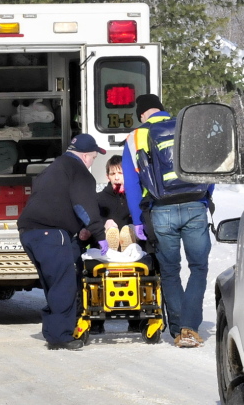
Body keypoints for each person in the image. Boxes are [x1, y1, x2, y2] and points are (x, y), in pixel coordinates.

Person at [122, 94, 215, 348]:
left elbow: (131, 185)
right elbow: (210, 167)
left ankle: (177, 330)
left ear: (142, 114)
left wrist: (139, 220)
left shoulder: (135, 138)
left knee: (170, 271)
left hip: (161, 211)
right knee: (198, 267)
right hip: (195, 205)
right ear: (162, 110)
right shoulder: (188, 127)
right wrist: (205, 198)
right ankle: (190, 326)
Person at [17, 134, 110, 350]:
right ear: (86, 155)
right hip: (51, 233)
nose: (92, 162)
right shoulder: (80, 173)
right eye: (94, 158)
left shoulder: (53, 167)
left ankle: (53, 331)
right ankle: (61, 336)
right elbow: (84, 207)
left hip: (28, 232)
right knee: (64, 284)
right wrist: (100, 236)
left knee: (52, 283)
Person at [87, 155, 141, 335]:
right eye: (113, 173)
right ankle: (112, 238)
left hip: (130, 249)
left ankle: (135, 319)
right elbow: (91, 220)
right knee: (110, 230)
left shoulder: (135, 197)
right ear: (107, 176)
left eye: (121, 173)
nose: (117, 177)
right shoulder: (99, 198)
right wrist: (103, 223)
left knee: (129, 230)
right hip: (106, 249)